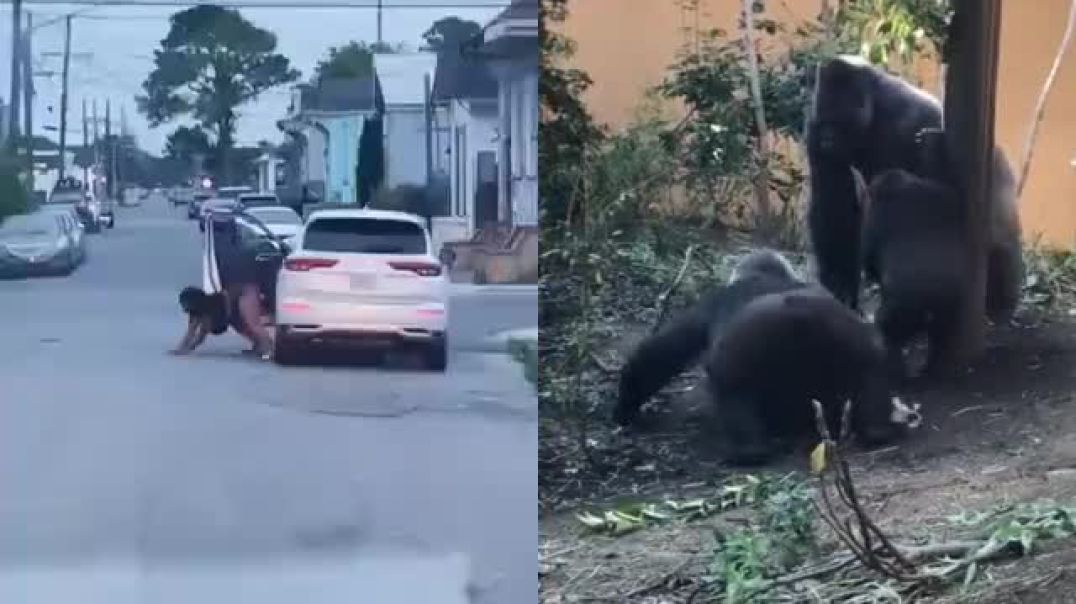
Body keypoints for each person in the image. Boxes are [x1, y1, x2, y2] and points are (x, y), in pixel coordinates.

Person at [196, 211, 274, 359]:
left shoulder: (233, 247)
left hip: (245, 288)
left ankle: (268, 348)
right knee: (238, 321)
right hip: (231, 289)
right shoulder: (219, 247)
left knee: (252, 322)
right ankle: (259, 344)